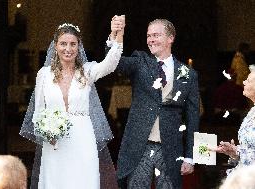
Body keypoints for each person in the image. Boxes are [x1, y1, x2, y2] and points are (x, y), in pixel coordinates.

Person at [20, 19, 124, 189]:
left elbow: (110, 64)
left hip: (83, 137)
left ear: (78, 46)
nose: (68, 49)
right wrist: (47, 133)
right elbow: (38, 112)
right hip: (54, 142)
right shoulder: (44, 75)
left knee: (83, 181)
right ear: (55, 45)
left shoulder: (87, 71)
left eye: (72, 44)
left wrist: (118, 34)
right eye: (63, 44)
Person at [109, 17, 199, 188]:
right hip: (140, 147)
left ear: (170, 38)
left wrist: (190, 156)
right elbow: (116, 63)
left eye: (156, 35)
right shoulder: (140, 61)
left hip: (171, 149)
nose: (150, 40)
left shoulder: (188, 74)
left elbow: (192, 118)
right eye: (149, 36)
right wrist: (115, 34)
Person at [214, 66, 255, 175]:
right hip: (243, 176)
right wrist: (234, 152)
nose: (244, 82)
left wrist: (238, 151)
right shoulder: (252, 111)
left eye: (248, 80)